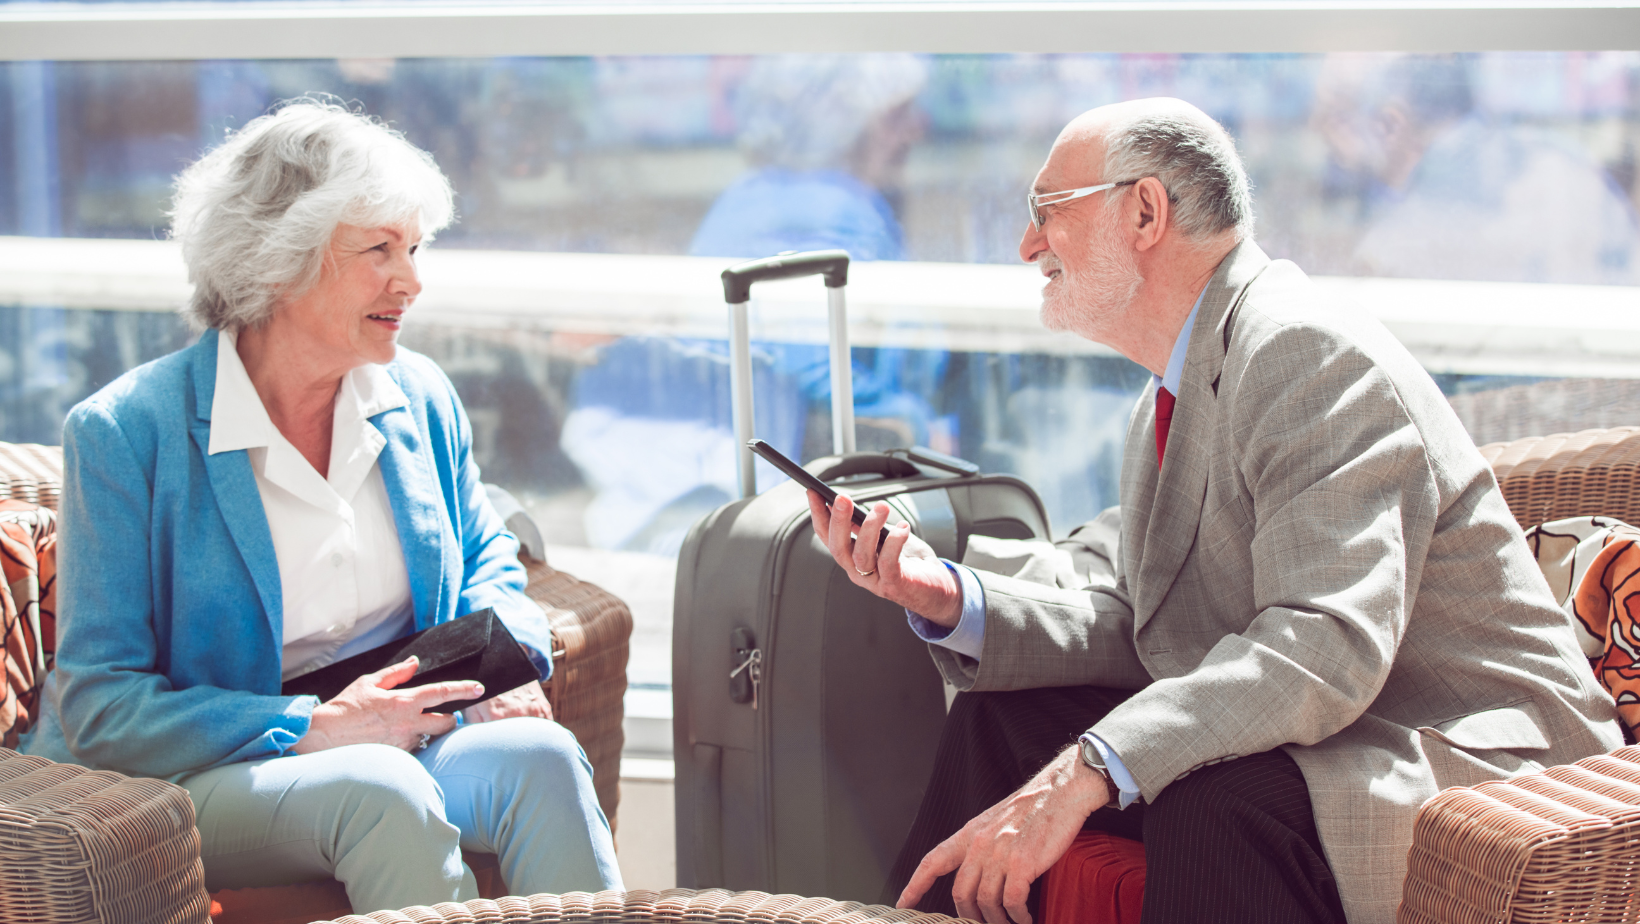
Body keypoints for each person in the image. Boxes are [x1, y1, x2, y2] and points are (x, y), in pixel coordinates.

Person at [807, 97, 1620, 924]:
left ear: (1145, 211)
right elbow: (1143, 607)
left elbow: (1324, 643)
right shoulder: (1180, 380)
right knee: (1005, 720)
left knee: (1217, 800)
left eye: (1047, 212)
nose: (1027, 245)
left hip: (1474, 754)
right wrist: (951, 596)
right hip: (1343, 729)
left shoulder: (1307, 353)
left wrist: (1086, 767)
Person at [20, 100, 623, 913]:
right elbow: (102, 704)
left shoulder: (418, 395)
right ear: (279, 259)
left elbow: (488, 560)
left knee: (541, 758)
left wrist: (502, 661)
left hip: (396, 731)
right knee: (376, 786)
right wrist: (320, 725)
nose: (410, 279)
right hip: (210, 773)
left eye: (413, 248)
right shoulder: (128, 434)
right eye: (379, 250)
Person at [1311, 53, 1640, 285]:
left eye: (1340, 121)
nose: (1330, 143)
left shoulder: (1406, 231)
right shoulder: (1561, 157)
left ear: (1390, 124)